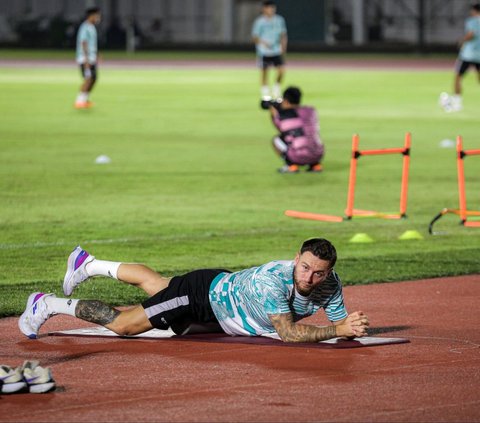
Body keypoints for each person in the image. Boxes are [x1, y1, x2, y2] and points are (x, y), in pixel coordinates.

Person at [18, 238, 369, 343]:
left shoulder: (330, 285)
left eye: (318, 274)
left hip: (220, 296)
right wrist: (337, 330)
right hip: (204, 297)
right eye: (304, 267)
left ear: (329, 273)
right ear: (296, 259)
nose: (308, 278)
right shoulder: (273, 281)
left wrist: (348, 327)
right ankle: (47, 303)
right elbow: (289, 333)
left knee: (159, 286)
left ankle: (89, 263)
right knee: (126, 325)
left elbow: (342, 323)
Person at [269, 86, 324, 174]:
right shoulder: (310, 110)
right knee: (308, 136)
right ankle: (315, 165)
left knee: (277, 139)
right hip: (318, 154)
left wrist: (273, 114)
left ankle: (291, 166)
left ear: (286, 101)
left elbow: (281, 129)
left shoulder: (285, 116)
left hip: (297, 156)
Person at [440, 3, 480, 112]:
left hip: (468, 54)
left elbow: (471, 34)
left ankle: (457, 103)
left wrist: (462, 40)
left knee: (458, 77)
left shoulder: (472, 21)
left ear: (474, 11)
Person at [252, 0, 288, 107]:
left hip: (276, 50)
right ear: (264, 9)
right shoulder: (259, 22)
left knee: (281, 70)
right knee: (264, 72)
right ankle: (265, 95)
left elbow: (283, 34)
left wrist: (283, 47)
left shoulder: (279, 20)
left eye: (272, 8)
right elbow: (255, 37)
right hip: (264, 51)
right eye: (269, 8)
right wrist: (264, 43)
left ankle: (276, 89)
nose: (271, 10)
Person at [74, 7, 101, 109]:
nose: (98, 18)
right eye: (97, 16)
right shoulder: (85, 27)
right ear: (91, 16)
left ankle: (85, 100)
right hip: (85, 58)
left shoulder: (91, 27)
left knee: (94, 78)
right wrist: (85, 59)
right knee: (88, 79)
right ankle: (79, 101)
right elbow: (84, 43)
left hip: (91, 58)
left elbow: (91, 43)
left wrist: (97, 54)